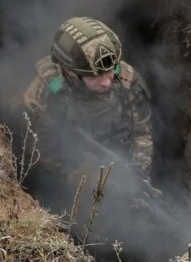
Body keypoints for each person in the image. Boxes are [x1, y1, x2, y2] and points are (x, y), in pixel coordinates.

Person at [21, 16, 153, 175]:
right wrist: (76, 174)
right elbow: (39, 151)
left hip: (115, 160)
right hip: (65, 166)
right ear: (71, 72)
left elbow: (141, 134)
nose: (106, 82)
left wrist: (139, 171)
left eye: (110, 71)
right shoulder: (47, 93)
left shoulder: (128, 82)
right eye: (95, 76)